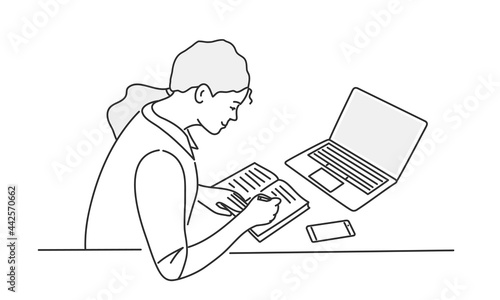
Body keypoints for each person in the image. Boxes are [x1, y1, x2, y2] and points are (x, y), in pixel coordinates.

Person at [84, 40, 281, 280]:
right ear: (202, 93)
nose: (234, 116)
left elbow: (152, 191)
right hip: (127, 277)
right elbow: (173, 266)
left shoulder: (154, 118)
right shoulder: (161, 158)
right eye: (232, 105)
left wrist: (204, 193)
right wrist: (247, 220)